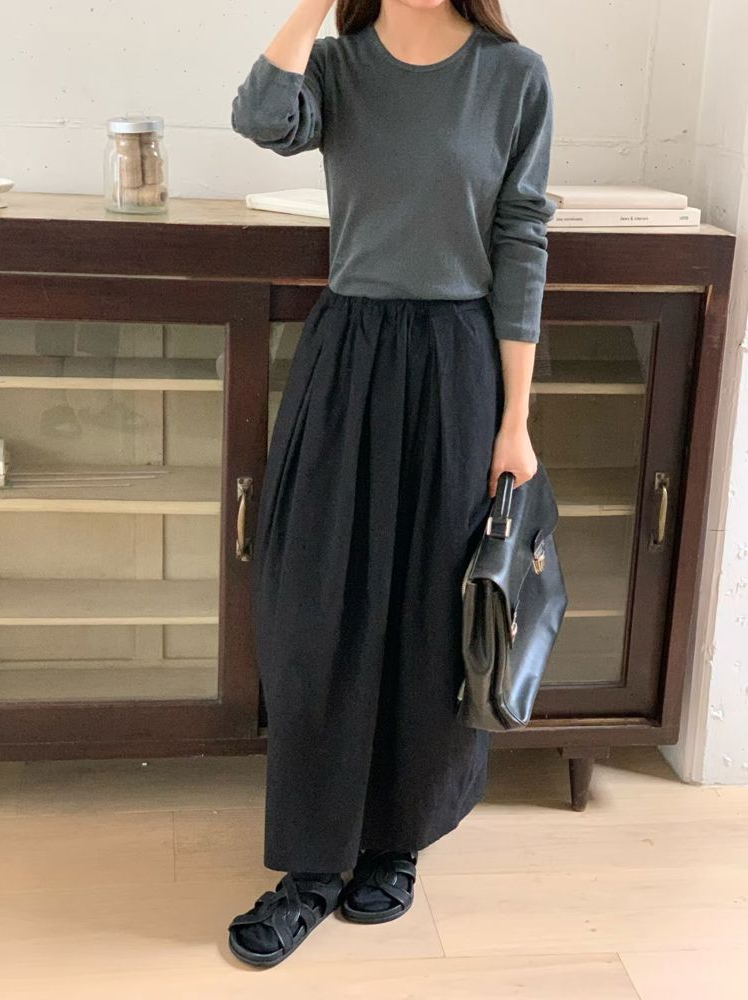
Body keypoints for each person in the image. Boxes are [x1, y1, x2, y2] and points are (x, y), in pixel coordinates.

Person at [227, 0, 555, 967]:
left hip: (458, 362)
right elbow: (258, 115)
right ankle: (310, 868)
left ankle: (394, 842)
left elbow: (522, 240)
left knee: (426, 613)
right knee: (315, 608)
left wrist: (515, 420)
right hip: (349, 350)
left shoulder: (513, 76)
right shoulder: (338, 68)